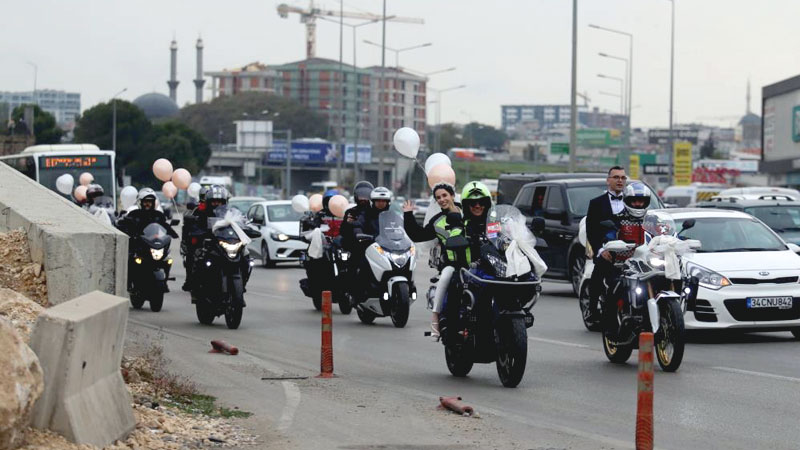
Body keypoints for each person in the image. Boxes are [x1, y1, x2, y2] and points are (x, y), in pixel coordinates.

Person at [402, 182, 465, 339]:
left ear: (452, 195)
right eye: (438, 198)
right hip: (453, 264)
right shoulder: (438, 221)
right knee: (445, 277)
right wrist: (408, 215)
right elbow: (418, 235)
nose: (442, 199)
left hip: (475, 262)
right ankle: (435, 319)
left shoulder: (468, 212)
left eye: (444, 195)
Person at [182, 185, 228, 291]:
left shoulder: (228, 212)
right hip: (207, 242)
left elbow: (236, 222)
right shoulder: (200, 212)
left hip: (224, 242)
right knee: (194, 256)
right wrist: (196, 232)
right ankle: (192, 281)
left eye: (219, 202)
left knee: (245, 256)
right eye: (214, 201)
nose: (217, 204)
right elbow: (193, 225)